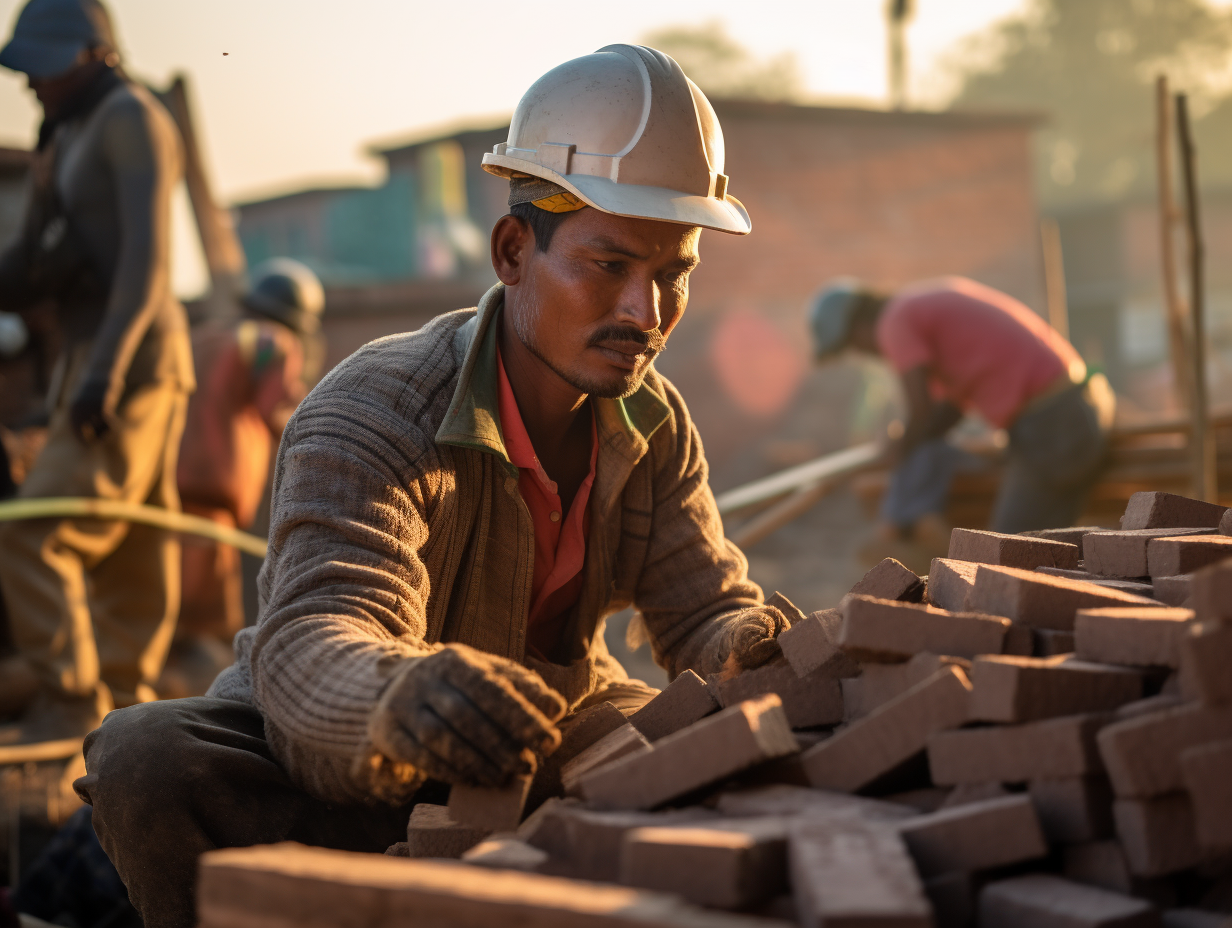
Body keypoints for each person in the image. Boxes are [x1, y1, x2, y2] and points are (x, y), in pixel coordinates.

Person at [77, 45, 787, 928]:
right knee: (148, 755)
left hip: (545, 746)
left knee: (721, 752)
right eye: (609, 266)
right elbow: (318, 633)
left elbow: (698, 607)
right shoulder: (376, 409)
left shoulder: (653, 420)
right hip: (356, 750)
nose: (645, 313)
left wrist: (755, 647)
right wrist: (400, 700)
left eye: (672, 274)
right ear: (513, 250)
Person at [0, 0, 193, 741]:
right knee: (130, 555)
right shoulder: (66, 134)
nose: (31, 84)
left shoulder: (131, 118)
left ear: (92, 54)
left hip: (131, 363)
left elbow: (146, 270)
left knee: (31, 532)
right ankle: (126, 725)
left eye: (43, 65)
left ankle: (72, 704)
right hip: (105, 363)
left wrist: (102, 377)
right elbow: (28, 265)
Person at [810, 276, 1115, 542]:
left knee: (1011, 555)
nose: (865, 353)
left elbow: (922, 413)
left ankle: (907, 527)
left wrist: (898, 449)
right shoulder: (920, 310)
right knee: (1048, 554)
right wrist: (904, 444)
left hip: (1053, 422)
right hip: (1072, 408)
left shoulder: (895, 321)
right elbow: (946, 413)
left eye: (854, 345)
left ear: (858, 325)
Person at [165, 259, 322, 696]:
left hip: (172, 474)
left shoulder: (204, 335)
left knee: (175, 577)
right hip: (218, 480)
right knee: (205, 614)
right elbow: (276, 411)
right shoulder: (273, 341)